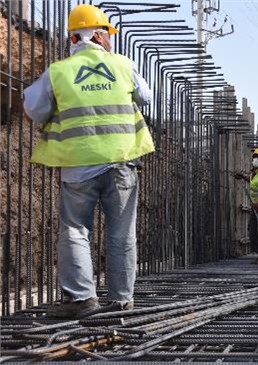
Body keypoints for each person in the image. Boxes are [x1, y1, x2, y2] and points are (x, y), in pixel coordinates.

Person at [22, 4, 155, 319]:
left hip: (78, 165)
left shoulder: (60, 71)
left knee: (75, 229)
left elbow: (34, 108)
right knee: (121, 232)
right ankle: (122, 300)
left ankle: (82, 298)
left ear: (72, 38)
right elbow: (146, 97)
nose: (110, 40)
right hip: (122, 162)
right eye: (108, 34)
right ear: (98, 34)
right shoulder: (123, 64)